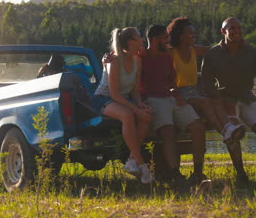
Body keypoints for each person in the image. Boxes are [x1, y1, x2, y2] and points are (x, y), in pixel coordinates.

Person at [201, 17, 256, 186]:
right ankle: (241, 175)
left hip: (247, 96)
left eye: (239, 28)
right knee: (234, 135)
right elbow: (206, 82)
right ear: (223, 31)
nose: (236, 32)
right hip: (225, 99)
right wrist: (220, 101)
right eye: (232, 28)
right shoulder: (212, 54)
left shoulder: (250, 51)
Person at [140, 24, 206, 185]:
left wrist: (176, 93)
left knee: (198, 127)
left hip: (171, 98)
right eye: (165, 38)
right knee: (168, 132)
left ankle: (197, 173)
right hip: (153, 99)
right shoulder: (141, 57)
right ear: (155, 40)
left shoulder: (167, 58)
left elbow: (171, 81)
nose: (168, 41)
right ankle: (176, 175)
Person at [167, 17, 245, 144]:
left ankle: (228, 127)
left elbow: (215, 50)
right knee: (206, 102)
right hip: (180, 93)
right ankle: (225, 132)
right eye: (190, 33)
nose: (194, 35)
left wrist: (235, 43)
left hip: (194, 92)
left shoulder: (194, 49)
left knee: (216, 100)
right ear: (180, 37)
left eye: (194, 32)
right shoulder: (171, 52)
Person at [92, 27, 155, 184]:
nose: (142, 40)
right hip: (103, 99)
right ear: (129, 42)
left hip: (123, 99)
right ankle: (142, 165)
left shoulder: (137, 60)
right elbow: (114, 95)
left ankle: (131, 160)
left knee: (146, 116)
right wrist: (135, 110)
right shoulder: (114, 61)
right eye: (139, 37)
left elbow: (134, 90)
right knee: (127, 115)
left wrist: (140, 105)